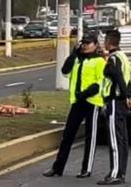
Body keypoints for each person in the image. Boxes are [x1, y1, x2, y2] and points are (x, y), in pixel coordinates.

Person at [44, 32, 106, 179]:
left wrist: (85, 93)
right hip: (77, 102)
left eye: (88, 43)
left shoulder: (99, 61)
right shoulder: (77, 60)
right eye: (83, 43)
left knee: (90, 137)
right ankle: (57, 168)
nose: (85, 45)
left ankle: (86, 169)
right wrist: (73, 54)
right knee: (67, 135)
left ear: (95, 45)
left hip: (92, 102)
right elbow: (65, 71)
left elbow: (101, 83)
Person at [98, 30, 131, 185]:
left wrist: (126, 96)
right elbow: (127, 79)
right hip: (121, 101)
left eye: (104, 40)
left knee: (114, 140)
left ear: (108, 42)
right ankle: (121, 173)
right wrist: (129, 96)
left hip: (114, 101)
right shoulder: (123, 57)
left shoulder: (113, 59)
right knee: (122, 139)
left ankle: (115, 174)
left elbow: (117, 76)